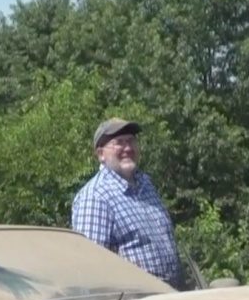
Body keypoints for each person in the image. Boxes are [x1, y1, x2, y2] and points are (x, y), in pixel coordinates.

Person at [71, 118, 182, 288]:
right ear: (101, 154)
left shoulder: (146, 185)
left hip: (169, 298)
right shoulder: (95, 197)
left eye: (131, 141)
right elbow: (89, 268)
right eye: (119, 143)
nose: (128, 148)